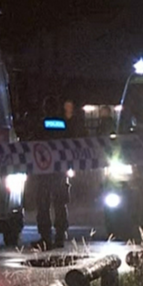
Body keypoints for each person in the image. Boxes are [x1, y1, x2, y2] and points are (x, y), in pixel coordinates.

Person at [32, 99, 82, 250]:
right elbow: (72, 143)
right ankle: (60, 236)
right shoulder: (64, 124)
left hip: (44, 171)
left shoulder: (41, 125)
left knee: (43, 204)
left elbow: (34, 145)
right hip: (60, 170)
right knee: (60, 203)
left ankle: (45, 237)